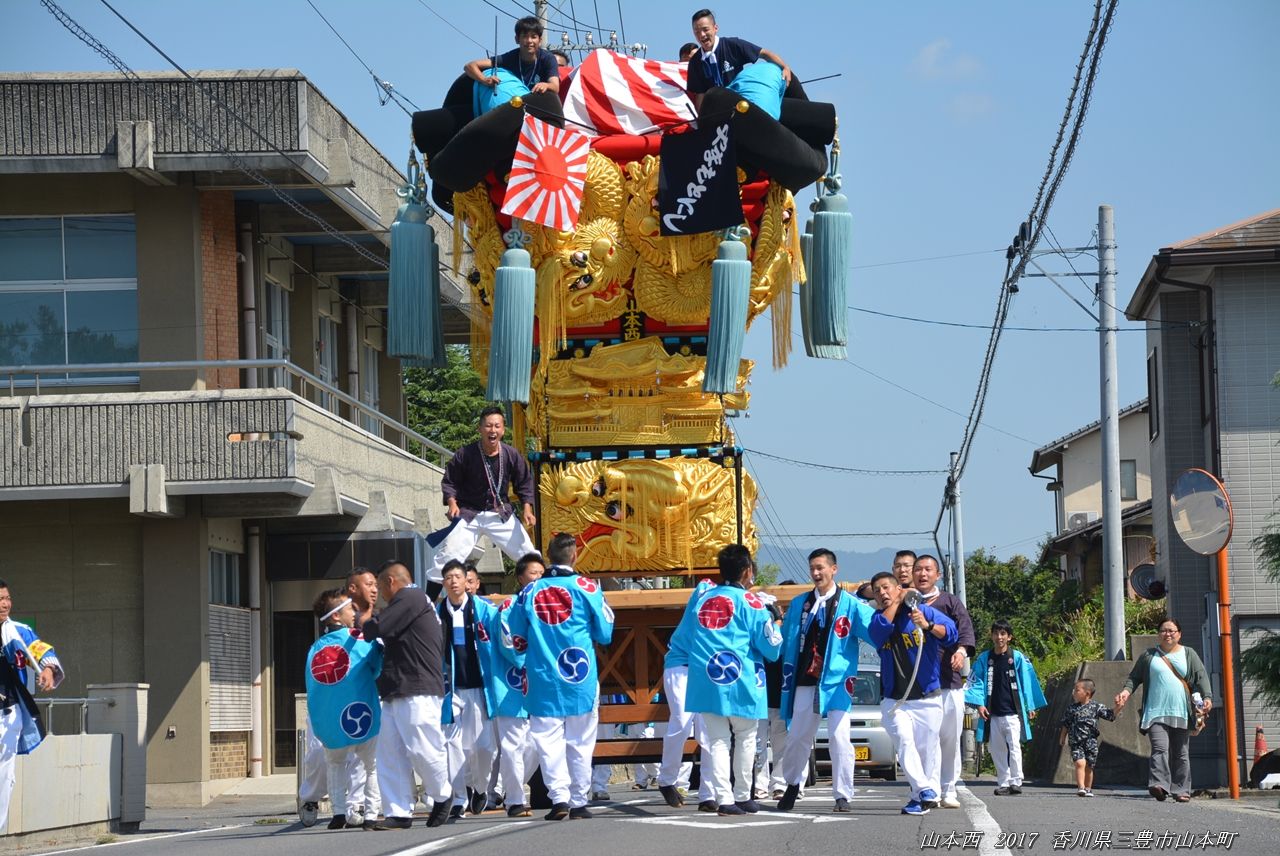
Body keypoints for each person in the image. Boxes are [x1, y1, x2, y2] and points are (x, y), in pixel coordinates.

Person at [502, 533, 614, 820]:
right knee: (581, 739)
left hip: (542, 675)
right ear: (574, 556)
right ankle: (579, 801)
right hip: (579, 672)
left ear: (548, 557)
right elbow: (605, 632)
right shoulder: (586, 587)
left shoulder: (529, 591)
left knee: (547, 739)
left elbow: (515, 637)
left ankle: (559, 799)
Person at [680, 545, 782, 816]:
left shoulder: (702, 599)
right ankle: (743, 795)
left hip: (707, 677)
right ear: (747, 571)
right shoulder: (752, 602)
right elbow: (771, 648)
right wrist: (777, 622)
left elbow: (686, 637)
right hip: (741, 679)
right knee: (746, 737)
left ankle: (724, 798)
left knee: (717, 740)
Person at [775, 549, 875, 813]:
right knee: (798, 736)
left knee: (839, 737)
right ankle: (792, 784)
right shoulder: (800, 603)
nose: (816, 573)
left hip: (837, 679)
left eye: (821, 567)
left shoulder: (851, 605)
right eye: (812, 568)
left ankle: (842, 794)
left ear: (834, 569)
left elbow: (876, 631)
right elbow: (783, 640)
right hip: (805, 677)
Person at [362, 561, 452, 829]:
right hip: (398, 687)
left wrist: (366, 619)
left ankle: (443, 794)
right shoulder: (413, 601)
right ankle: (399, 811)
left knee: (423, 747)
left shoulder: (411, 596)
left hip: (417, 687)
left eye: (380, 586)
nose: (380, 593)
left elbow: (375, 629)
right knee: (390, 753)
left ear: (391, 581)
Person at [867, 571, 957, 817]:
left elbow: (951, 633)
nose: (882, 593)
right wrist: (897, 601)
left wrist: (928, 625)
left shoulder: (922, 611)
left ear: (898, 587)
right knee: (904, 741)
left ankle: (920, 797)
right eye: (877, 591)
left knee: (927, 750)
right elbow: (878, 632)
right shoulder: (877, 619)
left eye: (887, 587)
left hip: (927, 696)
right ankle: (925, 789)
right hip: (895, 700)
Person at [428, 407, 537, 583]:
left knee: (529, 556)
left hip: (500, 513)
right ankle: (430, 599)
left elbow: (524, 482)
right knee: (447, 558)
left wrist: (527, 509)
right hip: (469, 514)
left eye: (497, 426)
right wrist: (452, 504)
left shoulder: (511, 454)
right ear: (479, 429)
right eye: (488, 426)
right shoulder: (465, 454)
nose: (492, 430)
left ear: (503, 430)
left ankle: (542, 594)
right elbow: (450, 481)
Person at [305, 588, 383, 830]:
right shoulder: (360, 639)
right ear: (336, 615)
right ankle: (371, 814)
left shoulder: (315, 648)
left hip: (330, 721)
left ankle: (338, 813)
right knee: (372, 766)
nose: (355, 613)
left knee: (335, 764)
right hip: (362, 715)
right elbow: (376, 668)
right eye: (350, 608)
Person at [1114, 617, 1212, 803]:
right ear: (1158, 634)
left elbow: (1201, 677)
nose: (1167, 634)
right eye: (1163, 630)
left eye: (1171, 631)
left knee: (1181, 753)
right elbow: (1134, 678)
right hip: (1155, 711)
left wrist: (1207, 697)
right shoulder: (1149, 655)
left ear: (1179, 634)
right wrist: (1125, 692)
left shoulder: (1188, 654)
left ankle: (1181, 789)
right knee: (1160, 748)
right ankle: (1159, 785)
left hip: (1182, 711)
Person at [912, 554, 976, 810]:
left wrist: (960, 652)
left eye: (928, 569)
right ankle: (929, 789)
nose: (922, 574)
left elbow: (965, 632)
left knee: (949, 739)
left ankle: (949, 788)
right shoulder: (905, 602)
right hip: (919, 687)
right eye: (918, 569)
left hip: (949, 683)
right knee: (925, 740)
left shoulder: (950, 602)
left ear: (937, 575)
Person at [1, 579, 63, 834]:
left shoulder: (18, 632)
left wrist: (48, 669)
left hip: (7, 713)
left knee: (4, 775)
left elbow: (41, 651)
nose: (5, 604)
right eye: (0, 599)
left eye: (7, 598)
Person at [438, 560, 499, 818]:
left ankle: (481, 788)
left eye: (457, 576)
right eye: (448, 577)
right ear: (443, 583)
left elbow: (502, 639)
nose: (453, 581)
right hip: (449, 687)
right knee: (453, 746)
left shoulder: (485, 610)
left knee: (483, 746)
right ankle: (459, 798)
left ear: (467, 581)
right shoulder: (436, 613)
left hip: (479, 686)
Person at [488, 552, 545, 817]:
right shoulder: (509, 606)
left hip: (539, 684)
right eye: (533, 573)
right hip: (510, 683)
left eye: (542, 574)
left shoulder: (545, 608)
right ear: (520, 578)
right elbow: (508, 643)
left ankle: (512, 789)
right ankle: (514, 799)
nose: (538, 578)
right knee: (512, 743)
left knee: (535, 743)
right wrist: (533, 661)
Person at [656, 576, 718, 811]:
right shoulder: (707, 587)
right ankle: (666, 779)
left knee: (709, 732)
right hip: (681, 664)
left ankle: (708, 795)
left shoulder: (739, 596)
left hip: (707, 670)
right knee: (682, 721)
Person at [966, 620, 1047, 797]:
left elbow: (1027, 681)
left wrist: (1029, 705)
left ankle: (1016, 781)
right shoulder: (984, 659)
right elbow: (975, 682)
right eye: (996, 633)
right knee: (997, 749)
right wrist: (979, 704)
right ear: (991, 635)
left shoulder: (1017, 657)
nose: (999, 637)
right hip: (992, 713)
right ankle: (1003, 782)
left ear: (1009, 637)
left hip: (1013, 712)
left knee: (1014, 746)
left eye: (1003, 633)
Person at [685, 8, 792, 109]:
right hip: (719, 110)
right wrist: (703, 119)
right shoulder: (695, 62)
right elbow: (700, 95)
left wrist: (785, 67)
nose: (702, 35)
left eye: (705, 29)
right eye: (697, 32)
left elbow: (764, 53)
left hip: (742, 103)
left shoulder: (732, 45)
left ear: (715, 28)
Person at [464, 16, 560, 96]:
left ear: (540, 40)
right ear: (517, 39)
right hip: (514, 106)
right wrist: (484, 80)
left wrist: (546, 85)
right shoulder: (509, 58)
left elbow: (555, 86)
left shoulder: (548, 58)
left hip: (539, 106)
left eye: (533, 37)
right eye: (525, 36)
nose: (529, 41)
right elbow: (469, 66)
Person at [1058, 678, 1116, 797]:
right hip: (1076, 742)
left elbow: (1110, 715)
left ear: (1087, 693)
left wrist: (1118, 706)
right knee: (1080, 763)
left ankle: (1088, 788)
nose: (1074, 692)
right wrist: (1062, 737)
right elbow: (1066, 724)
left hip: (1091, 742)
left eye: (1077, 690)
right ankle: (1081, 787)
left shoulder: (1096, 707)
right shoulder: (1071, 708)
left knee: (1089, 766)